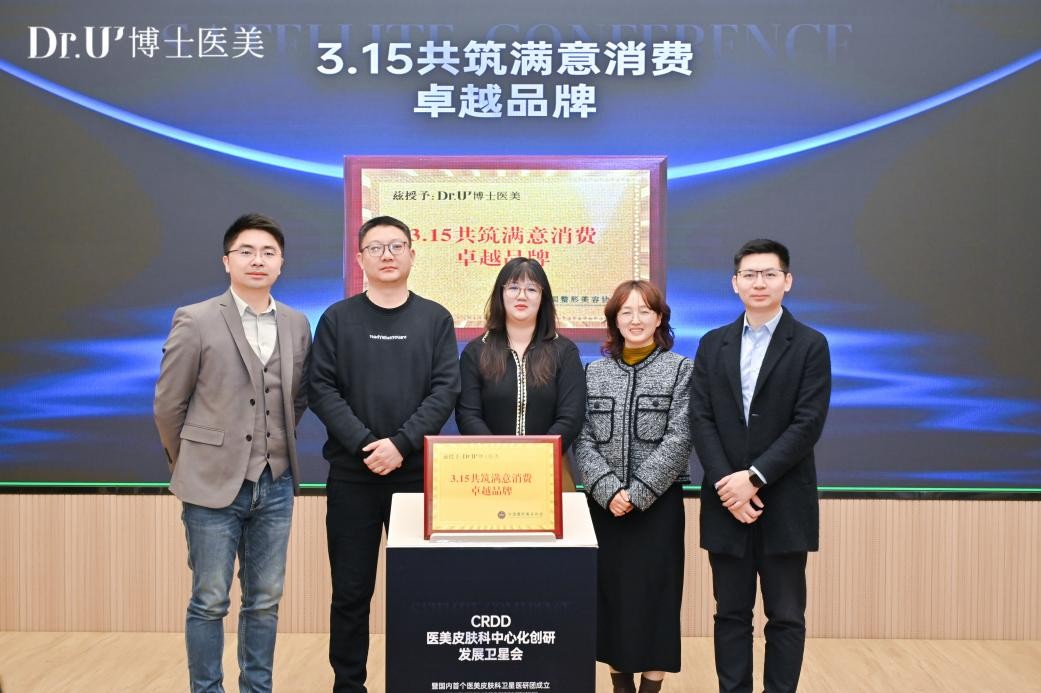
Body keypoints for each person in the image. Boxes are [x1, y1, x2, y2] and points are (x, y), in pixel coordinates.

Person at [153, 213, 312, 693]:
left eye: (268, 253)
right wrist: (188, 462)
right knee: (209, 600)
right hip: (209, 483)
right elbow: (169, 404)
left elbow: (298, 397)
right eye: (246, 251)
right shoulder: (196, 318)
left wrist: (274, 444)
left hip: (276, 483)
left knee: (264, 600)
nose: (257, 260)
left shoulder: (296, 323)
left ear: (281, 263)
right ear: (227, 261)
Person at [307, 215, 460, 692]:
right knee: (351, 592)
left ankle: (418, 681)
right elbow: (321, 389)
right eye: (375, 247)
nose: (387, 255)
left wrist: (400, 444)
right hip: (352, 478)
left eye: (396, 245)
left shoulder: (435, 318)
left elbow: (444, 390)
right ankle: (348, 685)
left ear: (413, 254)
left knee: (421, 591)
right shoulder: (337, 319)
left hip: (414, 477)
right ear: (360, 259)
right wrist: (366, 445)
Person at [691, 239, 831, 693]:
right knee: (730, 614)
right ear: (735, 283)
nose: (759, 282)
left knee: (786, 616)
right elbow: (701, 418)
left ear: (787, 281)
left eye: (769, 274)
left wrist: (753, 478)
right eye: (749, 274)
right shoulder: (713, 344)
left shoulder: (810, 345)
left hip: (784, 503)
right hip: (726, 504)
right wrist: (727, 486)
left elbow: (807, 424)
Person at [574, 280, 693, 693]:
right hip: (604, 506)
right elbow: (582, 438)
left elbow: (680, 438)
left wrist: (638, 493)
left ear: (659, 319)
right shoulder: (594, 372)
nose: (636, 319)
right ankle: (620, 685)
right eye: (627, 311)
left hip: (657, 507)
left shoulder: (681, 369)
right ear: (614, 320)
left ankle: (651, 686)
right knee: (612, 598)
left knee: (657, 597)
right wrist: (608, 490)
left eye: (645, 311)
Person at [456, 257, 585, 488]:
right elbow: (468, 415)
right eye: (513, 287)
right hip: (489, 472)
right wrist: (498, 458)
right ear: (501, 294)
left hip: (549, 467)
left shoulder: (564, 351)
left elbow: (570, 417)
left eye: (531, 289)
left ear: (543, 297)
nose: (522, 296)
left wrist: (537, 458)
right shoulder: (476, 351)